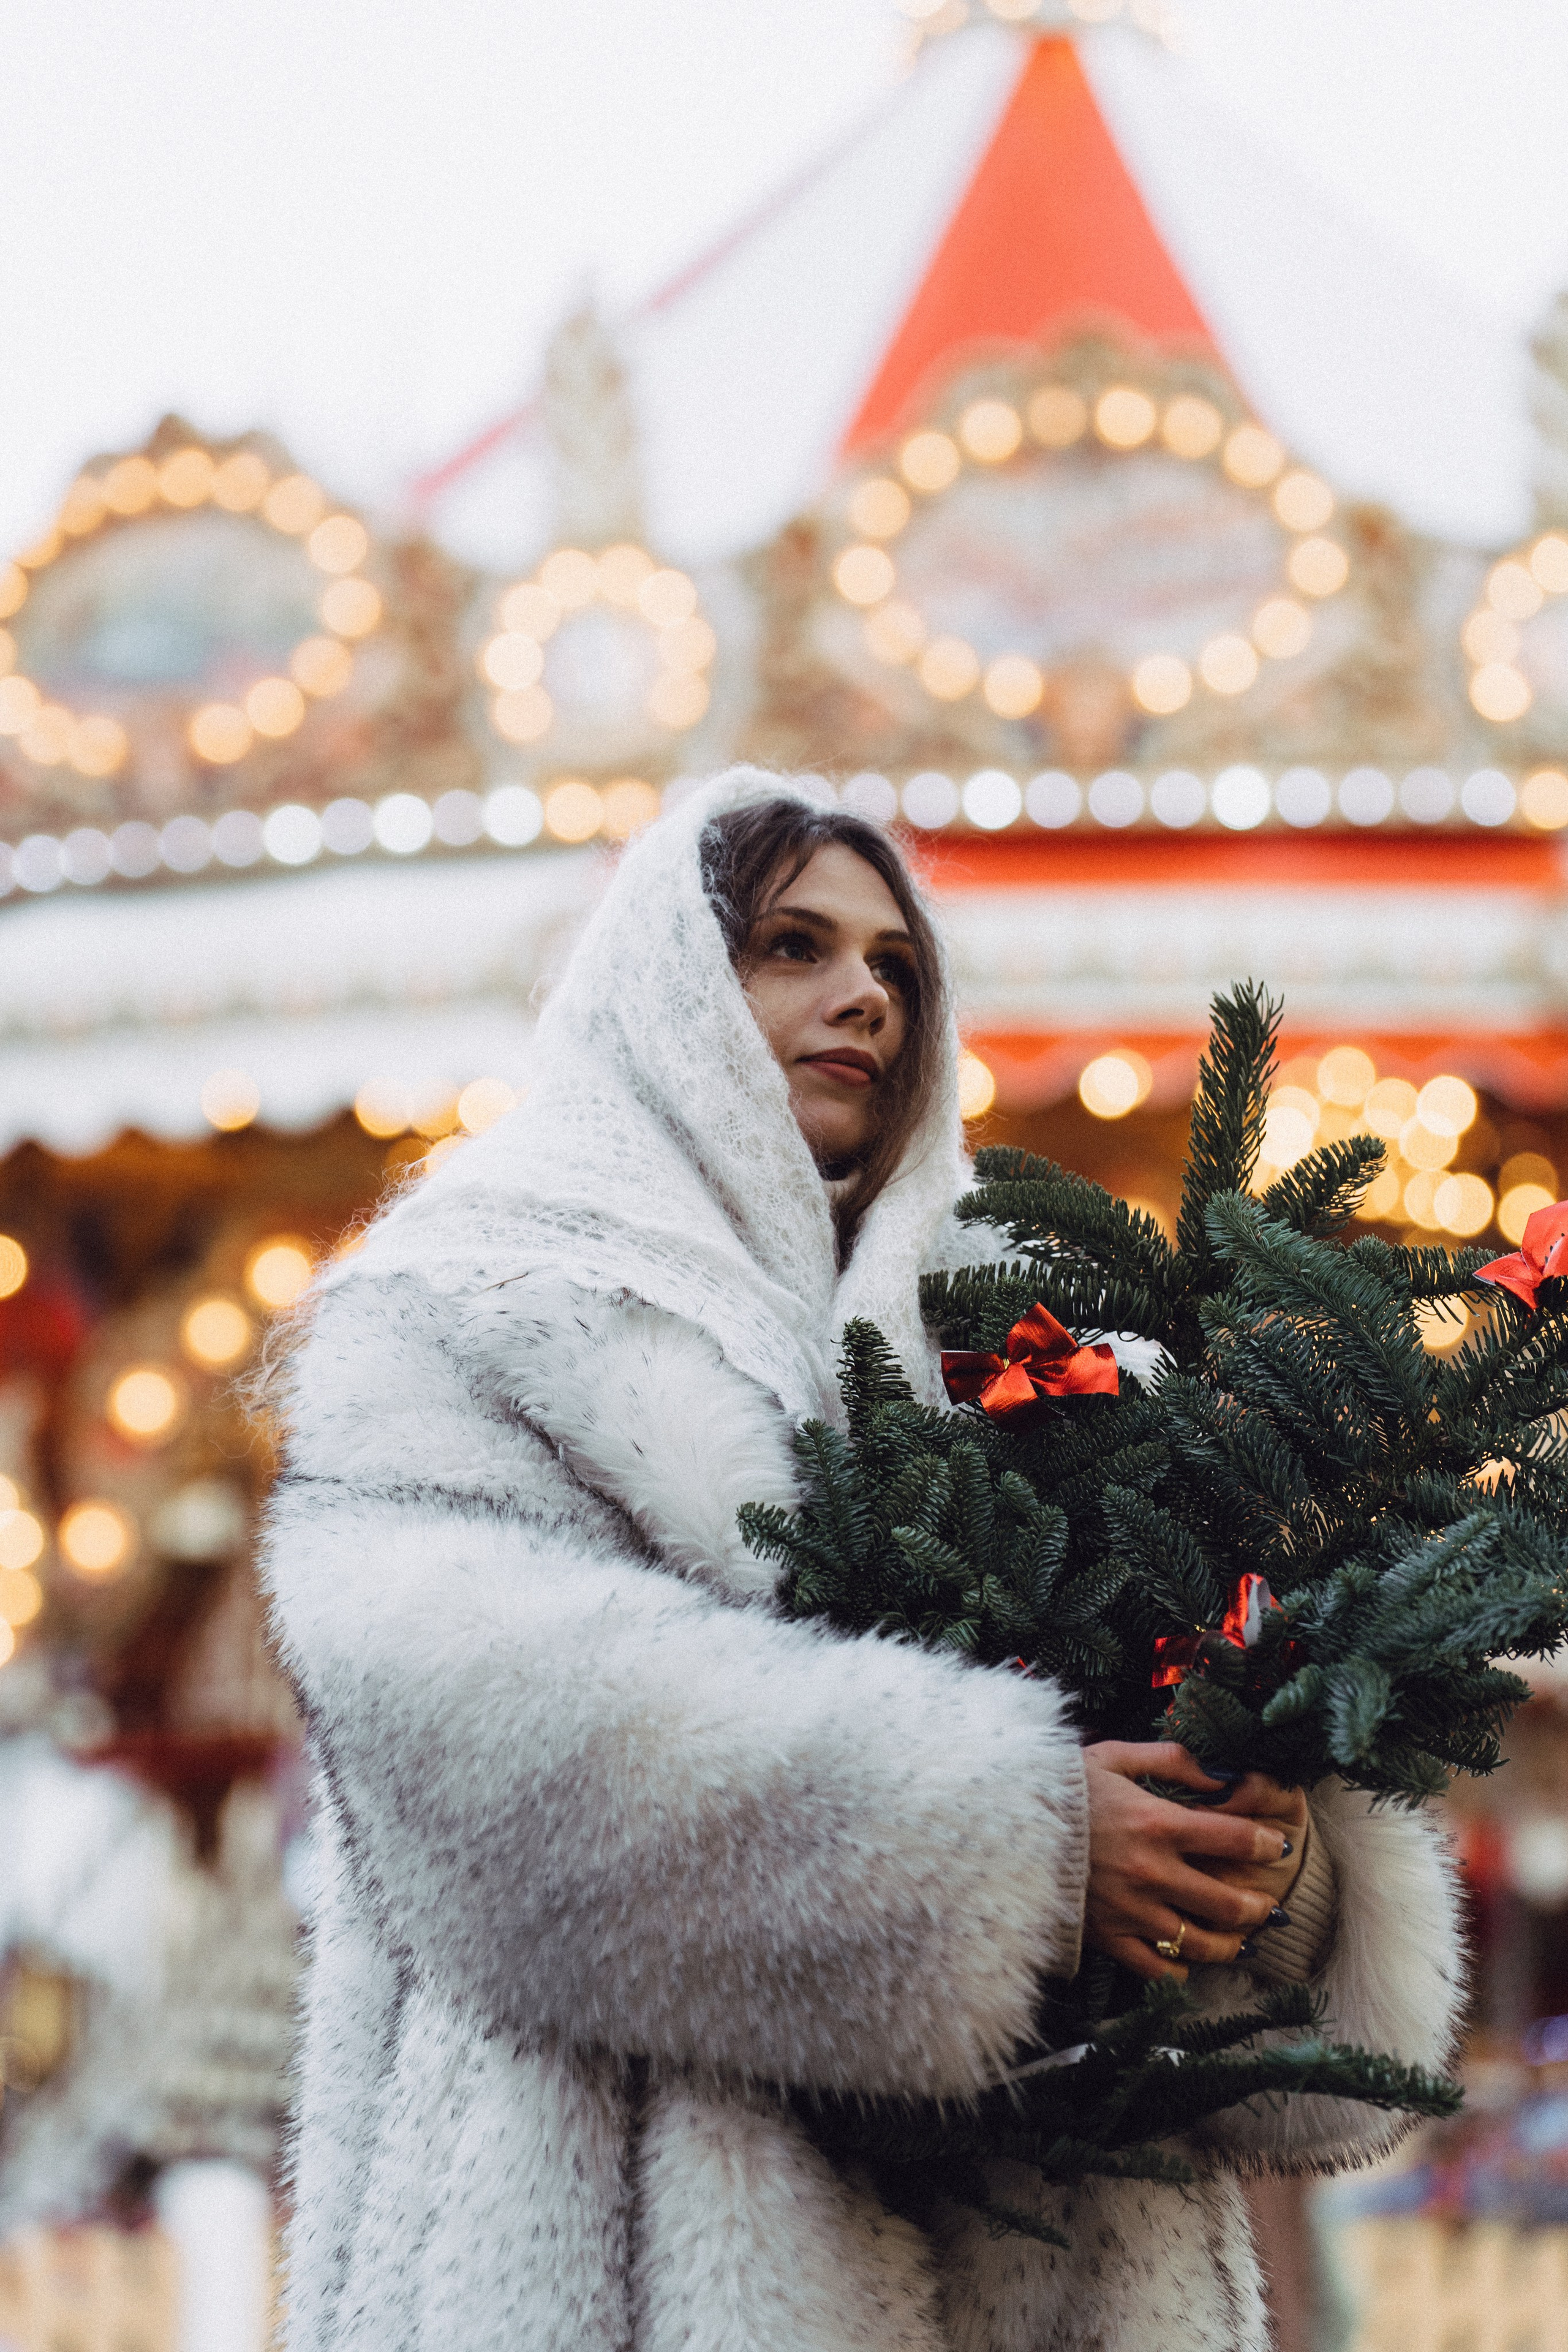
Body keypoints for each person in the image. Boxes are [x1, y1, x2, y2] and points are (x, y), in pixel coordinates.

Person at [264, 767, 1463, 2352]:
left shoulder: (1036, 1344)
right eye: (792, 948)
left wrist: (1261, 1845)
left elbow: (1230, 1758)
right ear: (668, 988)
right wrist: (1017, 1841)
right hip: (618, 2251)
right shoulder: (469, 1310)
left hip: (1050, 2254)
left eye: (896, 965)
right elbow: (480, 1725)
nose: (864, 998)